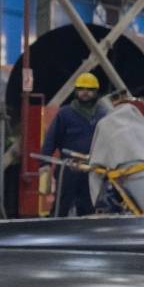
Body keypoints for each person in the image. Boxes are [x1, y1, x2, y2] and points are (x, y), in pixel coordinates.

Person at [42, 72, 106, 217]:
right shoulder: (65, 114)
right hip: (68, 169)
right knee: (61, 207)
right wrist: (44, 164)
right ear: (76, 91)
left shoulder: (103, 116)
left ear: (96, 92)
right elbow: (51, 139)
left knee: (89, 208)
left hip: (93, 170)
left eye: (89, 90)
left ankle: (86, 237)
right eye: (81, 89)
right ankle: (56, 233)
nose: (85, 93)